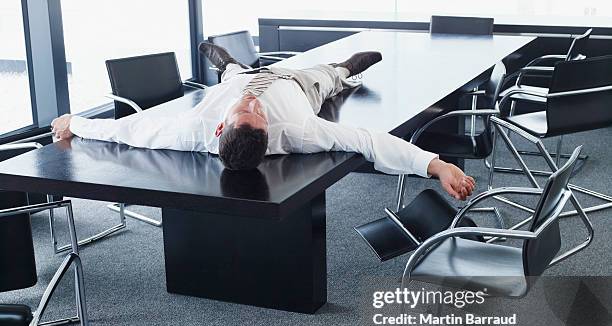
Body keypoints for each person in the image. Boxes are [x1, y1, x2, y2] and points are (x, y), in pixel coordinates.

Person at [51, 43, 475, 200]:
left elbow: (126, 132)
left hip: (245, 80)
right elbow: (366, 140)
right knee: (330, 79)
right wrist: (434, 165)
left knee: (238, 79)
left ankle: (229, 64)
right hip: (297, 85)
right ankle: (345, 67)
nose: (253, 107)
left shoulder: (188, 132)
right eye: (254, 114)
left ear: (220, 128)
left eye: (248, 112)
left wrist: (76, 122)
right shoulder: (300, 131)